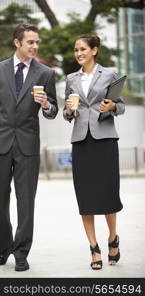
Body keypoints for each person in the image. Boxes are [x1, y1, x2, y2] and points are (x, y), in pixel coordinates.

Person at [0, 23, 58, 271]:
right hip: (0, 144)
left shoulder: (45, 73)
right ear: (17, 43)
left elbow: (53, 110)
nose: (35, 46)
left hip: (28, 146)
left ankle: (21, 253)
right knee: (0, 200)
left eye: (37, 42)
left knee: (26, 201)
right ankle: (3, 248)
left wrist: (46, 105)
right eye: (30, 42)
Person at [63, 34, 125, 270]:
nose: (79, 53)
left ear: (94, 50)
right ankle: (93, 247)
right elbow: (66, 112)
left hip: (105, 140)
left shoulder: (109, 74)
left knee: (108, 192)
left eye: (83, 49)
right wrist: (69, 111)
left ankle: (113, 238)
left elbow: (121, 105)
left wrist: (113, 107)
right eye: (76, 50)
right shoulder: (71, 78)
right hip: (81, 141)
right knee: (85, 196)